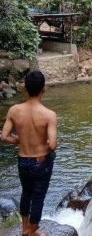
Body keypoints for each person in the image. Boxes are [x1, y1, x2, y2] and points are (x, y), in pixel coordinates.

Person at [1, 71, 57, 236]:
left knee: (26, 193)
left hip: (23, 161)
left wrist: (20, 140)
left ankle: (24, 228)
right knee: (38, 198)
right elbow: (52, 145)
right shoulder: (49, 115)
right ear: (43, 89)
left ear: (25, 88)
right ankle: (33, 232)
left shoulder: (14, 110)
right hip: (41, 162)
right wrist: (47, 146)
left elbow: (4, 137)